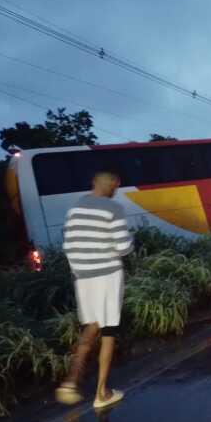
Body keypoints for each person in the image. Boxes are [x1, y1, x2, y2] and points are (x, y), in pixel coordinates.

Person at [55, 170, 133, 409]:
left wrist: (81, 271)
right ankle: (101, 393)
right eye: (115, 185)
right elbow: (123, 247)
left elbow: (68, 245)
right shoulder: (112, 208)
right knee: (108, 331)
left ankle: (70, 382)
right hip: (107, 276)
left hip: (83, 278)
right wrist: (127, 243)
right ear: (109, 184)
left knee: (91, 326)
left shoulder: (75, 209)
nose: (116, 189)